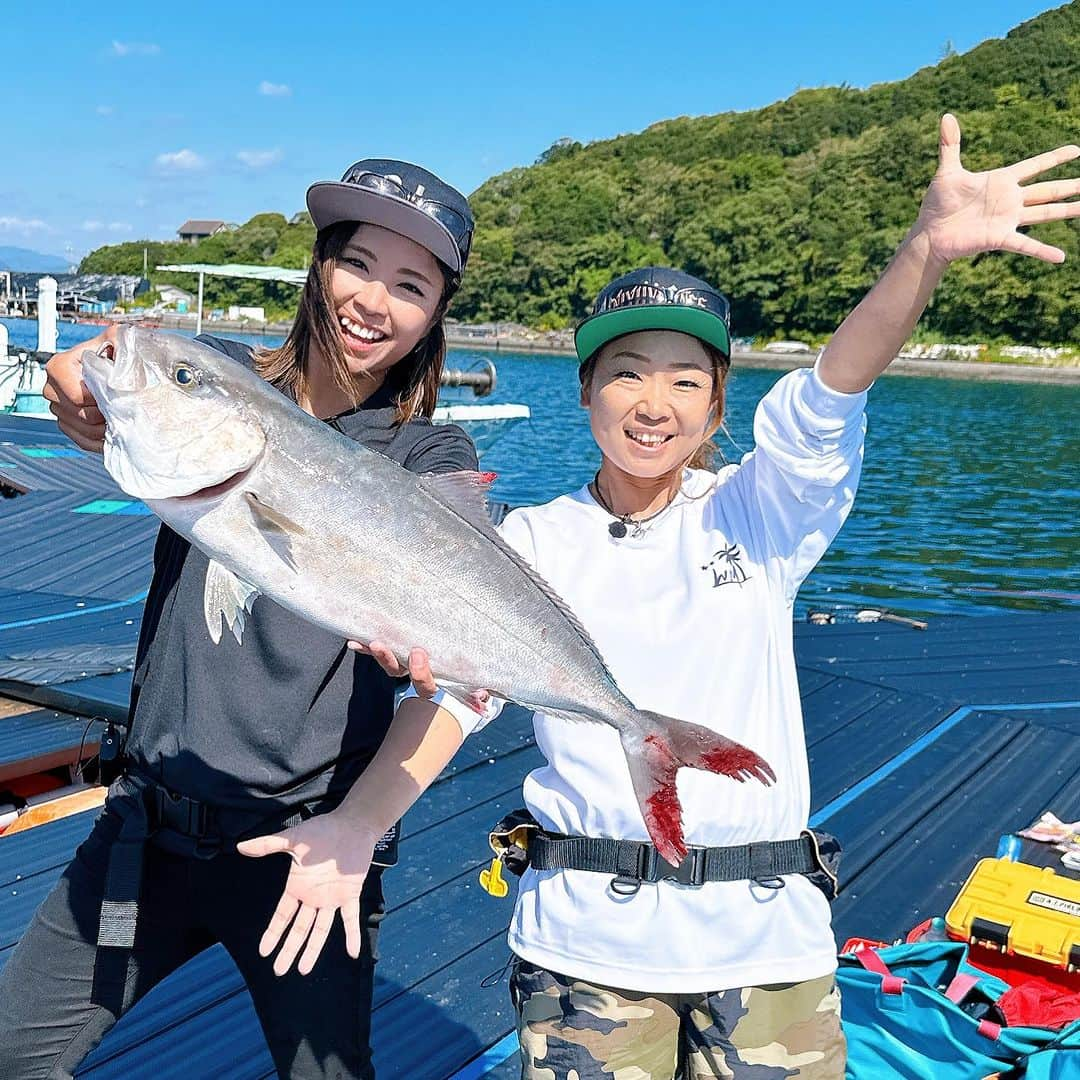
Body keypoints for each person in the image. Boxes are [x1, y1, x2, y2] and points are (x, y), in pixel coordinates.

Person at [349, 115, 1079, 1078]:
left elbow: (826, 399)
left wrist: (922, 254)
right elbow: (456, 695)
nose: (654, 404)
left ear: (717, 403)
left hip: (765, 945)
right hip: (584, 949)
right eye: (626, 374)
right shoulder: (528, 542)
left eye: (686, 380)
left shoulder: (761, 516)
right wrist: (356, 823)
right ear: (585, 391)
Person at [0, 159, 478, 1080]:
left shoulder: (429, 455)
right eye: (356, 263)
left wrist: (359, 829)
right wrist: (77, 388)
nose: (373, 299)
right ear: (318, 267)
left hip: (306, 849)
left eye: (410, 284)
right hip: (144, 823)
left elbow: (462, 683)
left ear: (433, 315)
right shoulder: (216, 385)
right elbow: (89, 377)